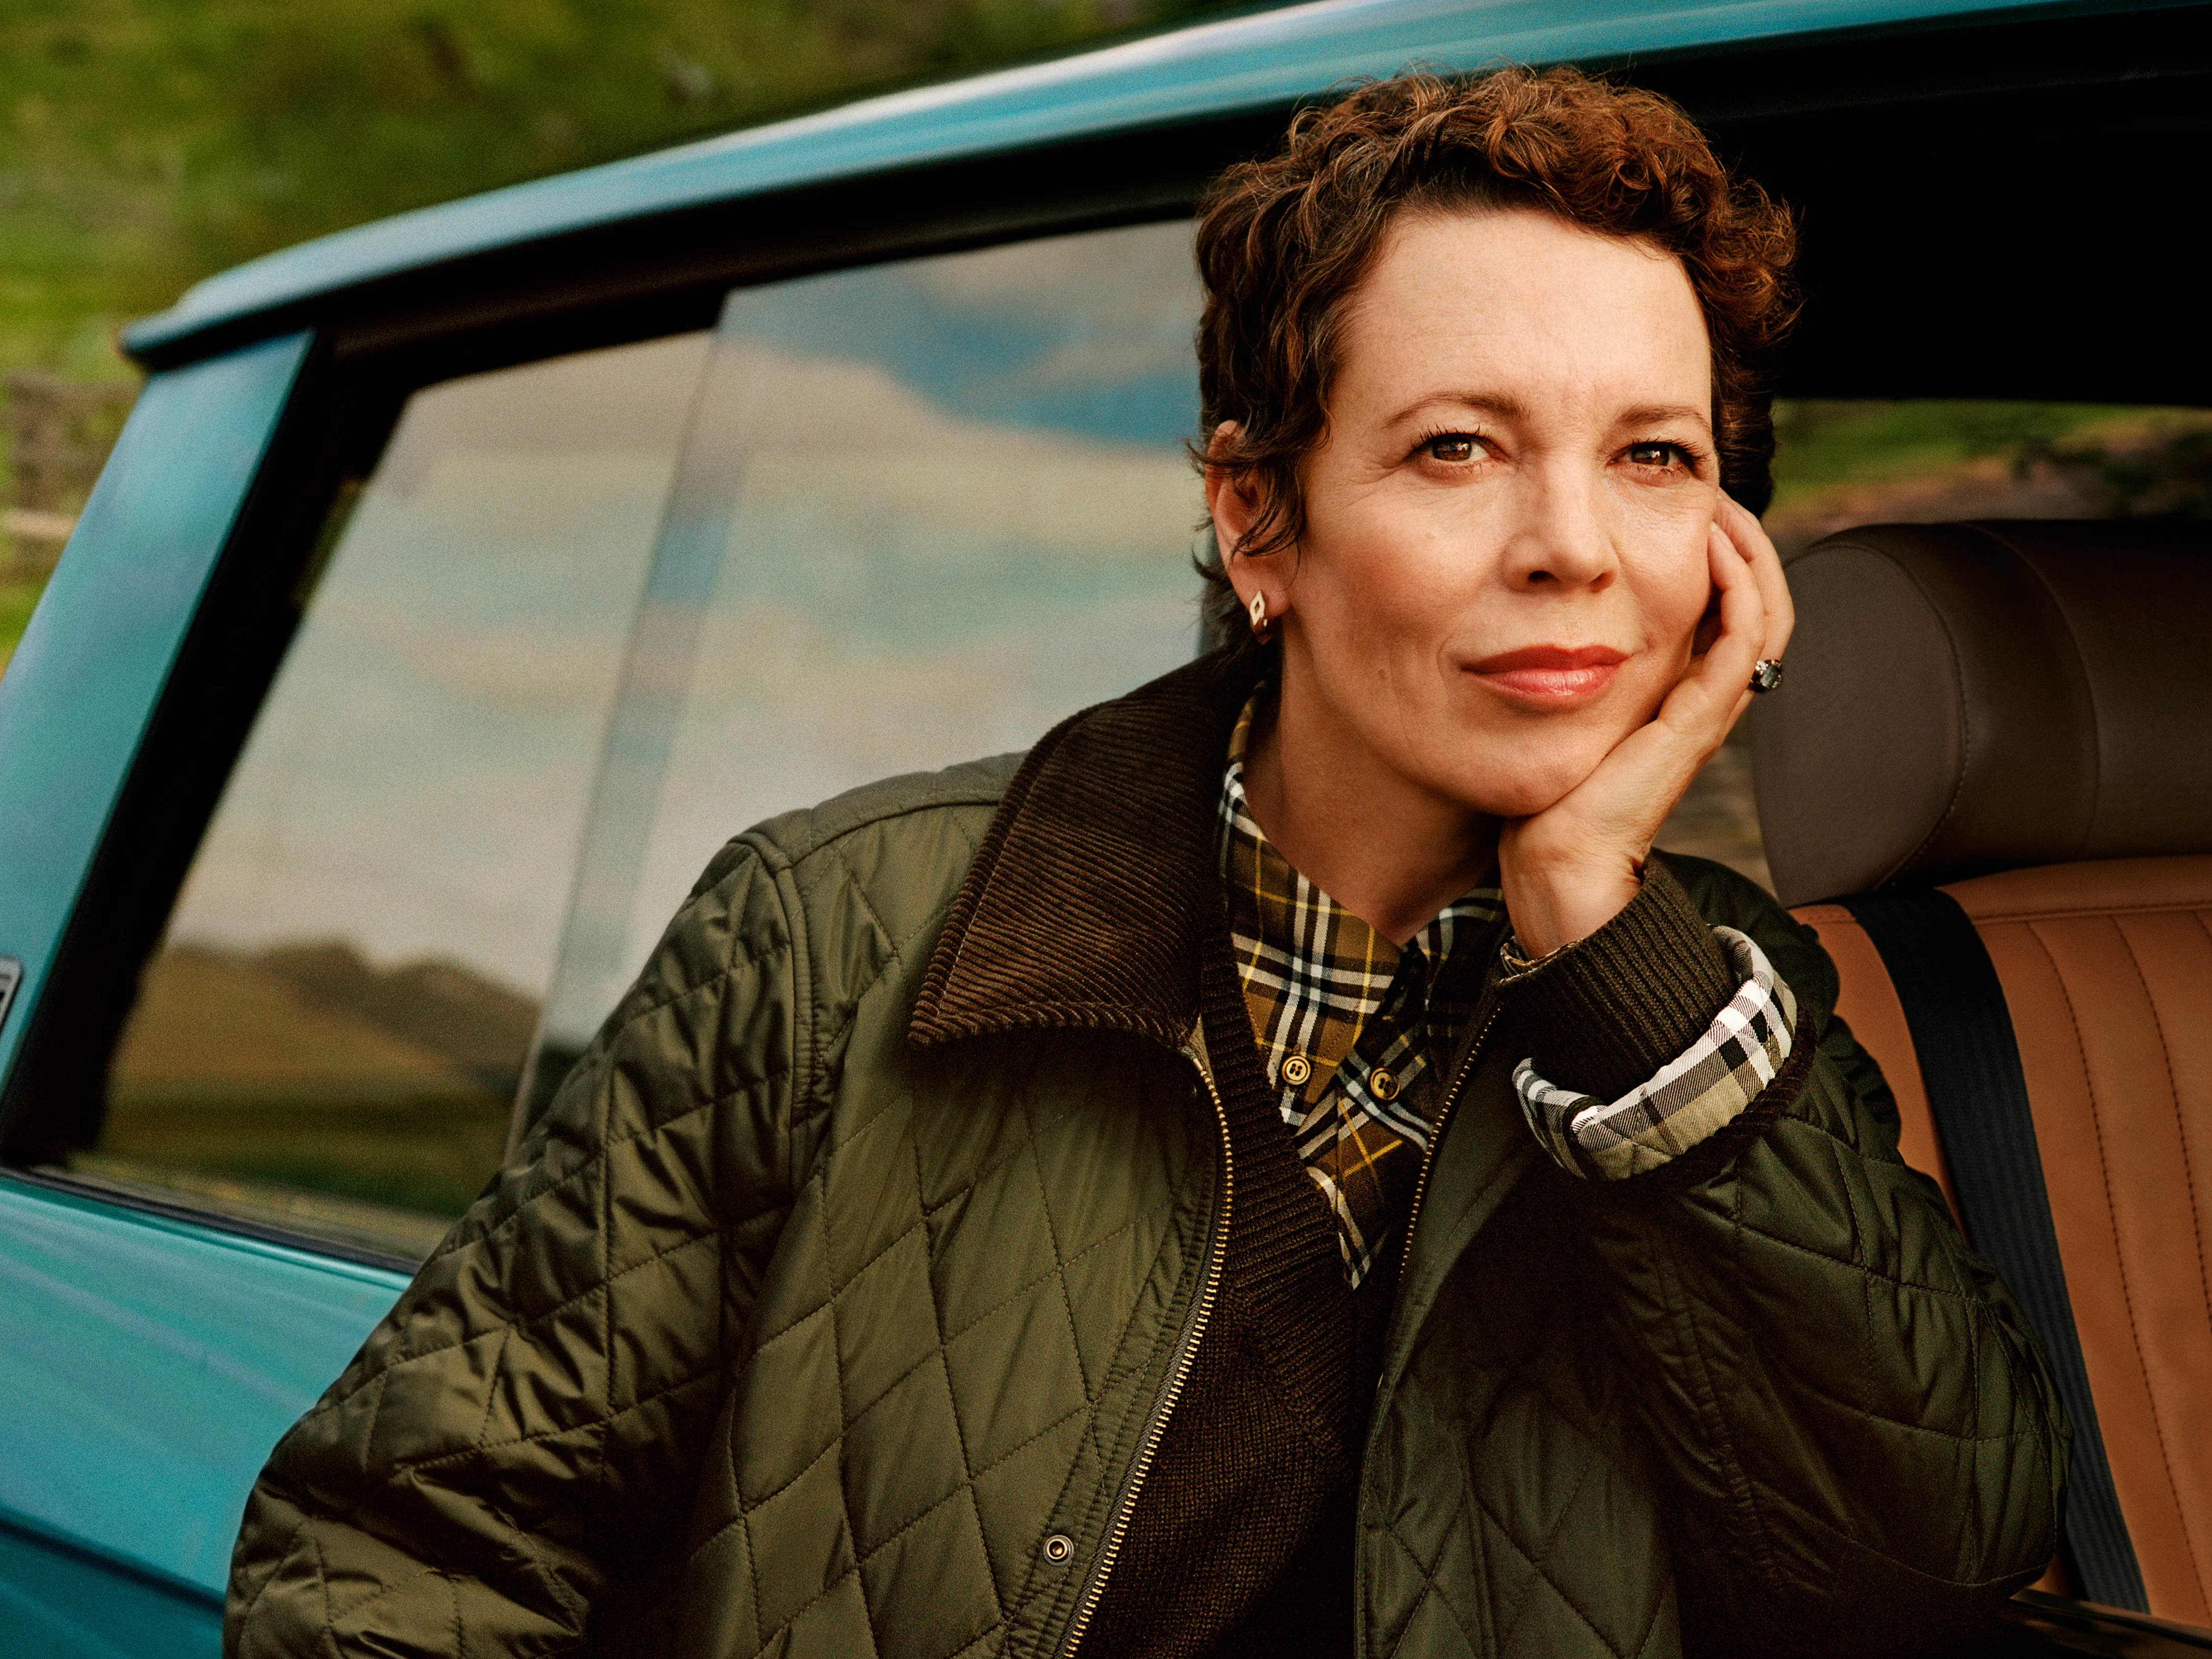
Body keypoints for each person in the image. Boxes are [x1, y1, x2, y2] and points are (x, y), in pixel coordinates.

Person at [227, 67, 2066, 1659]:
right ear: (1257, 519)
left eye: (1652, 457)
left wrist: (1602, 930)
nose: (1572, 545)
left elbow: (1937, 1573)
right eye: (1455, 448)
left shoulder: (1709, 1010)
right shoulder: (835, 932)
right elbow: (406, 1552)